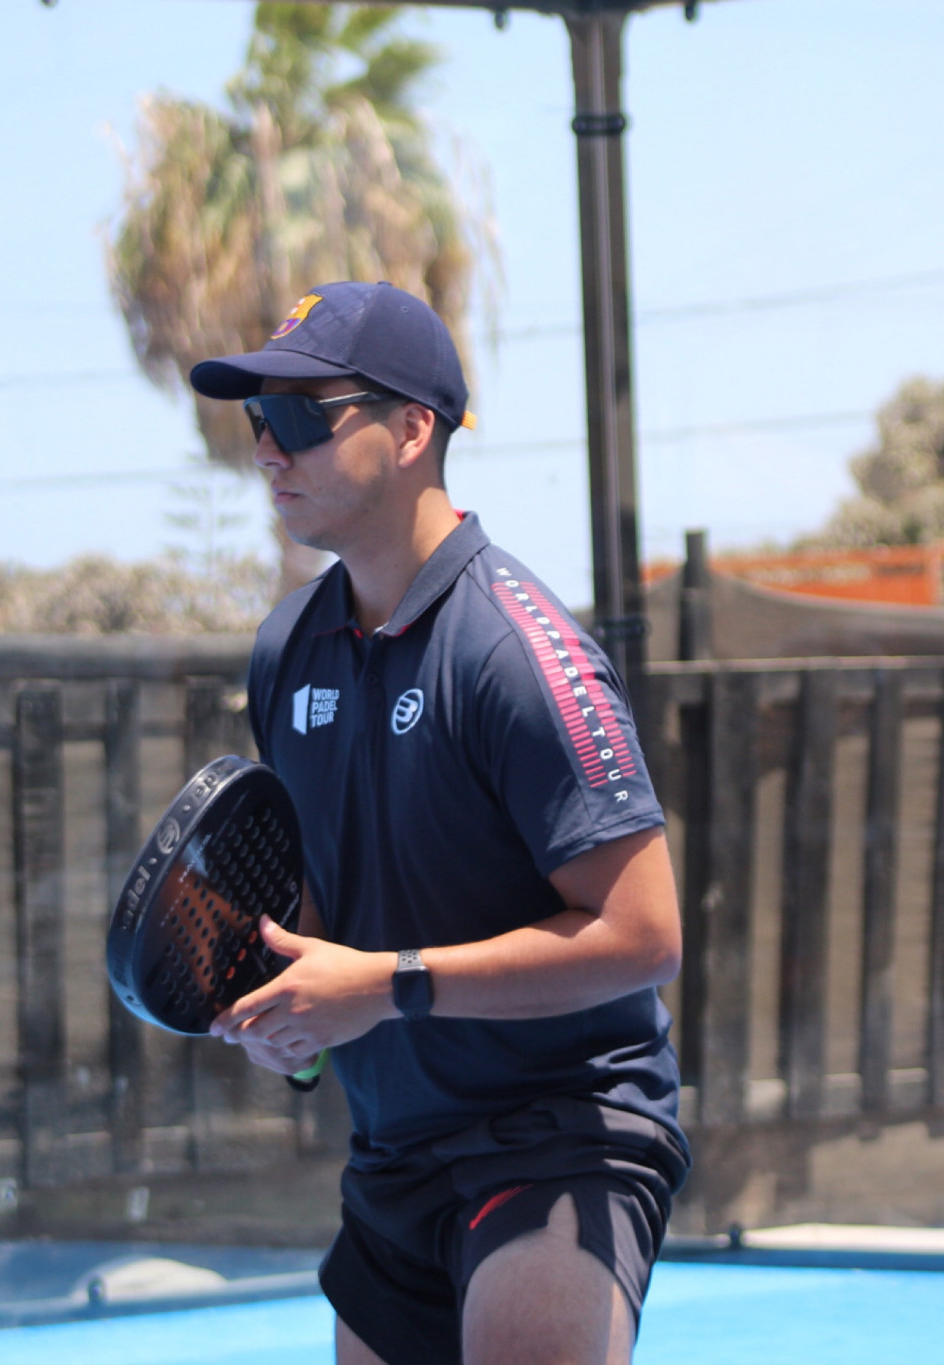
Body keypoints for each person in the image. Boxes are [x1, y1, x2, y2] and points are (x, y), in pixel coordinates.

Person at [189, 280, 689, 1365]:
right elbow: (325, 914)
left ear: (413, 429)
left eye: (300, 417)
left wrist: (386, 986)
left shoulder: (516, 655)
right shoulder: (287, 649)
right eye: (257, 419)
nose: (267, 450)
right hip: (392, 1150)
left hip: (561, 1132)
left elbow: (644, 936)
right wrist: (293, 1022)